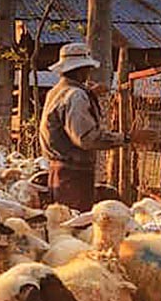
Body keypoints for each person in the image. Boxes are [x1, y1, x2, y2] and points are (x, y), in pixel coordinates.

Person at [38, 42, 148, 212]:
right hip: (74, 174)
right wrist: (127, 137)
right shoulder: (76, 96)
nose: (89, 73)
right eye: (87, 69)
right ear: (81, 70)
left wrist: (90, 93)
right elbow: (86, 138)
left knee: (62, 223)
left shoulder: (57, 91)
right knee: (76, 224)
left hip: (58, 170)